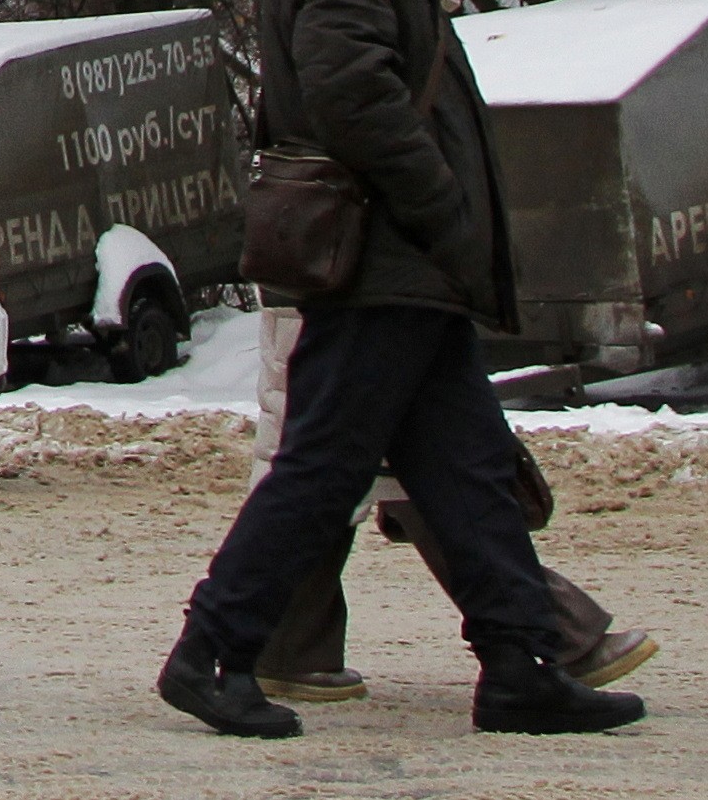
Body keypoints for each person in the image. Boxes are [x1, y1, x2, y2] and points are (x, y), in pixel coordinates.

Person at [157, 0, 646, 739]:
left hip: (410, 266)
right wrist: (442, 207)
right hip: (381, 259)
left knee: (467, 472)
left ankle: (521, 664)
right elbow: (353, 96)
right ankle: (210, 652)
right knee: (322, 466)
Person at [244, 301, 656, 703]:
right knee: (424, 471)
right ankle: (551, 636)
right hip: (361, 297)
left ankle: (283, 645)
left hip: (356, 294)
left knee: (352, 469)